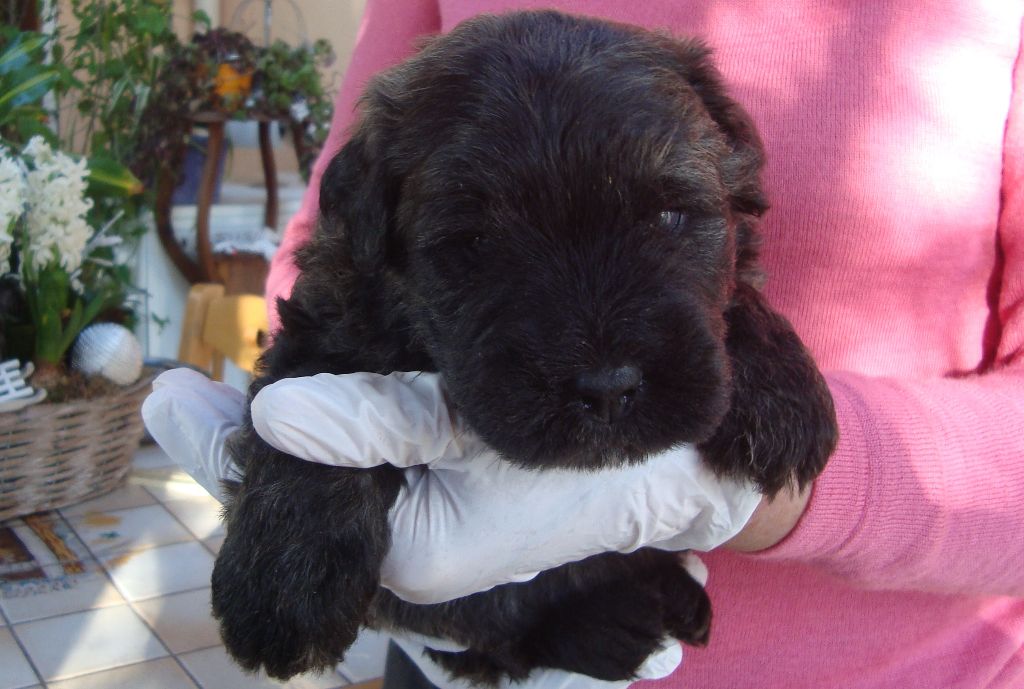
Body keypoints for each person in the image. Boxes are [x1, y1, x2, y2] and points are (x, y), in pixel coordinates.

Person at [146, 1, 1024, 687]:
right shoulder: (387, 164)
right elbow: (324, 269)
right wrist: (308, 479)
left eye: (676, 216)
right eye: (473, 243)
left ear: (734, 195)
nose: (603, 361)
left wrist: (782, 469)